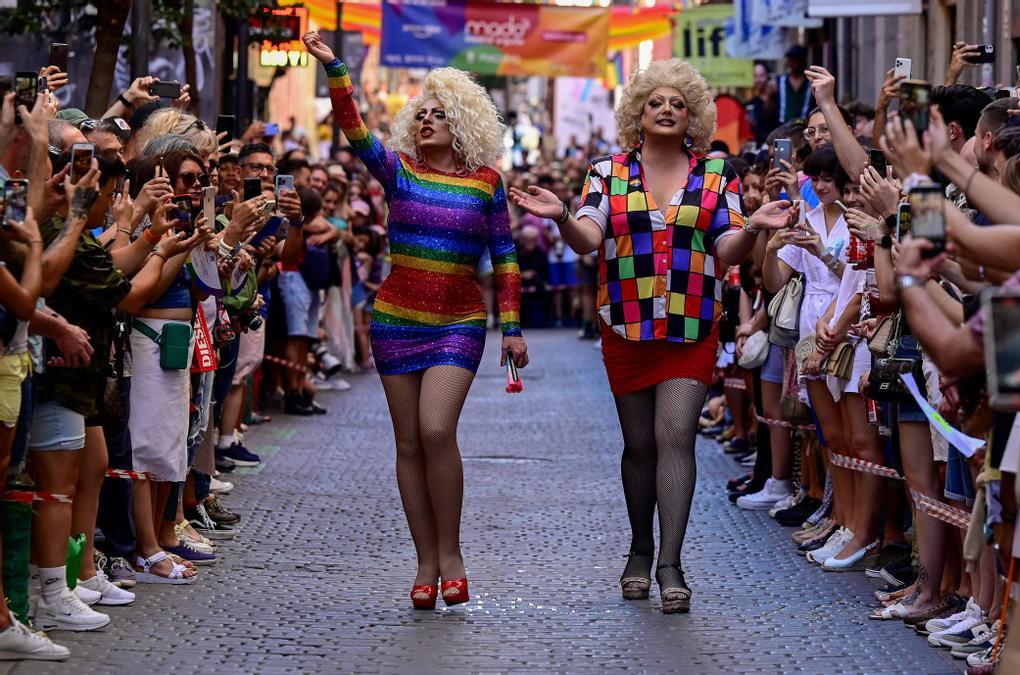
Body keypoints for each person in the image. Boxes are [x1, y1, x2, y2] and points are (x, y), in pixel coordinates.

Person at [510, 58, 796, 613]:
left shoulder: (718, 175)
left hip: (691, 327)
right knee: (638, 446)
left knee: (675, 437)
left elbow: (725, 249)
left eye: (677, 104)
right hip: (627, 326)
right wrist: (562, 214)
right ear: (638, 114)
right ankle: (639, 549)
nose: (666, 109)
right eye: (655, 102)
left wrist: (753, 229)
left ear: (692, 118)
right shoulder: (607, 173)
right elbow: (588, 239)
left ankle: (670, 563)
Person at [304, 31, 529, 610]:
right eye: (421, 114)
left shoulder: (486, 184)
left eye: (439, 115)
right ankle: (425, 562)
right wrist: (336, 69)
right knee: (407, 442)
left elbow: (504, 258)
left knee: (435, 430)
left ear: (461, 124)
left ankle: (451, 553)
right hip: (395, 319)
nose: (426, 121)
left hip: (458, 322)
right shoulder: (398, 170)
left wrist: (513, 325)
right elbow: (355, 129)